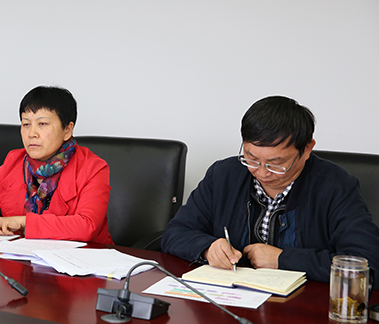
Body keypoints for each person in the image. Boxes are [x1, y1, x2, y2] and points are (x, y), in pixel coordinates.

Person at [162, 96, 379, 285]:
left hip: (302, 306)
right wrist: (207, 248)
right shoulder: (223, 175)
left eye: (276, 163)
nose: (262, 172)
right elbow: (174, 233)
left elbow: (367, 265)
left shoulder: (336, 187)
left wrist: (283, 260)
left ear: (307, 149)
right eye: (251, 158)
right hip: (231, 299)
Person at [0, 86, 113, 244]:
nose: (31, 134)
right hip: (22, 257)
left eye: (42, 124)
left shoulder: (93, 168)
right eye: (26, 124)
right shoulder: (14, 162)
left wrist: (24, 222)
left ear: (67, 130)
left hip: (82, 260)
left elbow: (87, 226)